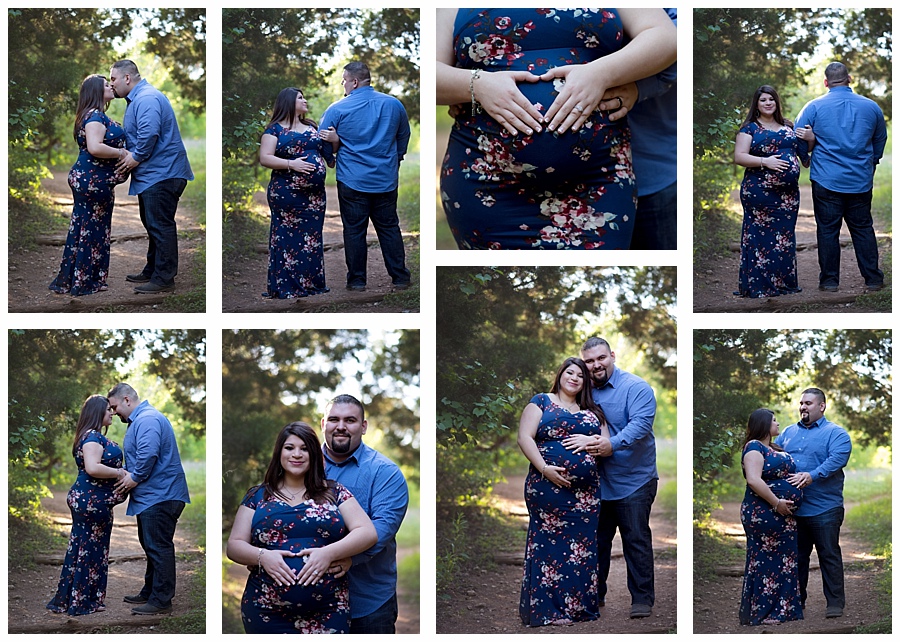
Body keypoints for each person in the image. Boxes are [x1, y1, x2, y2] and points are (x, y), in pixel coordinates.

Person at [437, 8, 676, 249]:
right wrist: (475, 85)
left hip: (600, 180)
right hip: (486, 183)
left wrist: (601, 74)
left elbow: (665, 37)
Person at [226, 422, 377, 633]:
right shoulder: (257, 495)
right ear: (279, 452)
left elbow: (367, 532)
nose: (297, 454)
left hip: (329, 610)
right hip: (265, 610)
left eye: (304, 448)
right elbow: (234, 545)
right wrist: (263, 556)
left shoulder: (334, 492)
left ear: (314, 454)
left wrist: (328, 554)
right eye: (289, 448)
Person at [517, 357, 607, 626]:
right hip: (546, 487)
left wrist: (591, 440)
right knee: (549, 547)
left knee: (581, 548)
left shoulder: (593, 412)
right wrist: (545, 468)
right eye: (570, 372)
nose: (575, 378)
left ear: (585, 382)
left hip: (586, 495)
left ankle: (577, 608)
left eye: (581, 375)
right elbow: (524, 437)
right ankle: (549, 611)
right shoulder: (541, 401)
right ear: (560, 375)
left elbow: (606, 443)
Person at [574, 337, 657, 618]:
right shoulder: (581, 390)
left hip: (634, 479)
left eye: (600, 358)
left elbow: (641, 425)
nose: (595, 365)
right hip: (595, 482)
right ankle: (594, 595)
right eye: (589, 361)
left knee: (635, 539)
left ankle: (642, 600)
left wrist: (613, 444)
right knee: (597, 540)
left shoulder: (635, 388)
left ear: (612, 355)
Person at [319, 62, 412, 292]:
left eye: (344, 81)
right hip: (385, 179)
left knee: (354, 230)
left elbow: (323, 140)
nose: (343, 85)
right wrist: (395, 160)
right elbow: (404, 136)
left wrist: (331, 158)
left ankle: (357, 281)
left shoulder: (337, 109)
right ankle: (400, 278)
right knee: (389, 227)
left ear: (354, 82)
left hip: (352, 180)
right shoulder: (394, 105)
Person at [796, 62, 887, 293]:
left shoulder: (813, 107)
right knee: (863, 228)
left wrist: (806, 158)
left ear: (826, 82)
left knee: (827, 230)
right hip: (860, 180)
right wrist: (871, 163)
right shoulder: (872, 107)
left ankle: (829, 281)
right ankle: (873, 279)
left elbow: (797, 136)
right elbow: (879, 140)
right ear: (850, 79)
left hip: (826, 180)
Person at [321, 394, 409, 633]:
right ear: (323, 424)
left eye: (350, 420)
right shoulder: (298, 465)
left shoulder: (385, 472)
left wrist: (348, 558)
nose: (340, 426)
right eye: (333, 419)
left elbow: (383, 528)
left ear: (363, 426)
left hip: (368, 601)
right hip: (309, 601)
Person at [109, 59, 193, 294]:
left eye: (113, 79)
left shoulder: (146, 98)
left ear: (127, 78)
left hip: (163, 174)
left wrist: (134, 158)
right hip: (154, 175)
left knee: (160, 225)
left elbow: (149, 133)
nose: (111, 84)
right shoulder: (139, 98)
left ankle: (164, 278)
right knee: (151, 223)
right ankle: (153, 269)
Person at [108, 383, 190, 615]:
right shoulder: (140, 420)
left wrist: (134, 477)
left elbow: (148, 453)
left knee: (158, 546)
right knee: (150, 544)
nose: (114, 413)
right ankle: (150, 591)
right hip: (153, 496)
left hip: (161, 496)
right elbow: (138, 457)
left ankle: (162, 600)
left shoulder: (148, 419)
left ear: (126, 400)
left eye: (114, 407)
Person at [47, 395, 129, 615]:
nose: (112, 412)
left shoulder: (90, 435)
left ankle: (72, 598)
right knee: (90, 550)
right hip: (89, 502)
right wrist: (120, 472)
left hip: (90, 501)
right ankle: (83, 601)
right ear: (96, 413)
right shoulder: (92, 436)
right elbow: (93, 468)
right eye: (107, 410)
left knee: (83, 549)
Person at [49, 75, 128, 296]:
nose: (111, 85)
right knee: (92, 229)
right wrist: (122, 152)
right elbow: (95, 147)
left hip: (91, 180)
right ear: (95, 91)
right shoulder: (94, 116)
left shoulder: (94, 115)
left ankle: (76, 278)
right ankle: (84, 281)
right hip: (91, 181)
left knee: (85, 228)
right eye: (106, 84)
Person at [776, 388, 852, 619]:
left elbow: (837, 459)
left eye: (808, 403)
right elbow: (772, 454)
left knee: (828, 555)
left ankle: (835, 604)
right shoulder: (788, 433)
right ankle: (797, 602)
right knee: (797, 557)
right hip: (793, 508)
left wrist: (811, 476)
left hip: (825, 508)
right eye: (801, 403)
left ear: (822, 406)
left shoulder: (836, 434)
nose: (803, 407)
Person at [259, 87, 337, 299]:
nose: (305, 100)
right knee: (285, 238)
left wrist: (335, 138)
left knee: (311, 237)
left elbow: (330, 155)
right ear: (288, 102)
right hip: (286, 193)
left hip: (314, 197)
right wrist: (291, 164)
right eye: (300, 98)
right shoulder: (274, 130)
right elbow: (265, 157)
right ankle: (287, 287)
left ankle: (310, 284)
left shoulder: (312, 126)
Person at [733, 85, 810, 298]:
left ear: (776, 102)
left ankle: (784, 284)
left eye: (771, 99)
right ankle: (760, 286)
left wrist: (810, 138)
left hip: (788, 196)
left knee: (784, 237)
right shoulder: (749, 128)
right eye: (763, 100)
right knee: (759, 237)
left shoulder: (788, 125)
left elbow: (804, 152)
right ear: (756, 104)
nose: (768, 103)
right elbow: (739, 156)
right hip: (758, 192)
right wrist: (765, 162)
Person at [738, 408, 803, 626]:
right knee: (765, 560)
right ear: (764, 424)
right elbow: (754, 480)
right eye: (774, 420)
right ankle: (764, 612)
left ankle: (783, 609)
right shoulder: (754, 447)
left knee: (785, 561)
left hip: (783, 514)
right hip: (764, 512)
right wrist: (777, 503)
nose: (777, 423)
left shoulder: (773, 448)